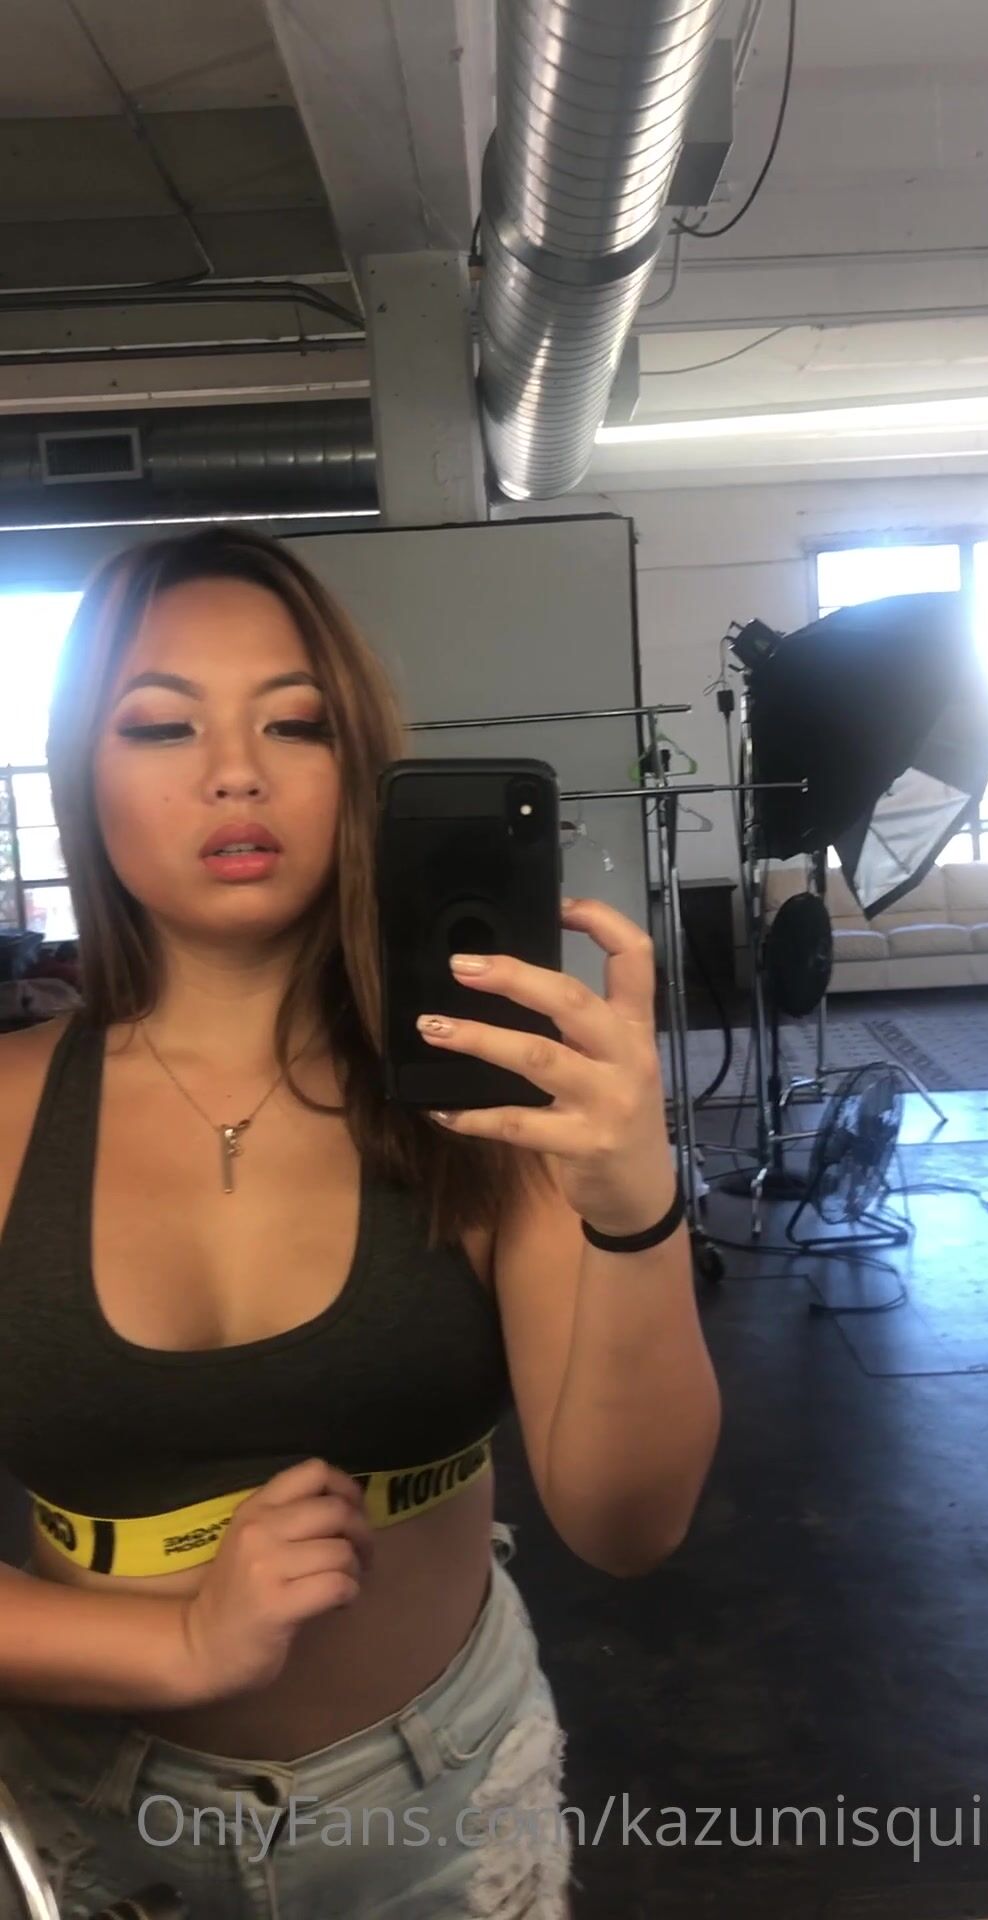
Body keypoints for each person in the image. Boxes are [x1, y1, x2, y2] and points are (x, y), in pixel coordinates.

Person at [0, 524, 721, 1919]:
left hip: (443, 1807)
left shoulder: (490, 1102)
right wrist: (180, 1649)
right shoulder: (7, 1112)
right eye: (160, 725)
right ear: (85, 776)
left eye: (296, 722)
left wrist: (636, 1205)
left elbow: (629, 1526)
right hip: (90, 1829)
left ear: (364, 773)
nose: (235, 770)